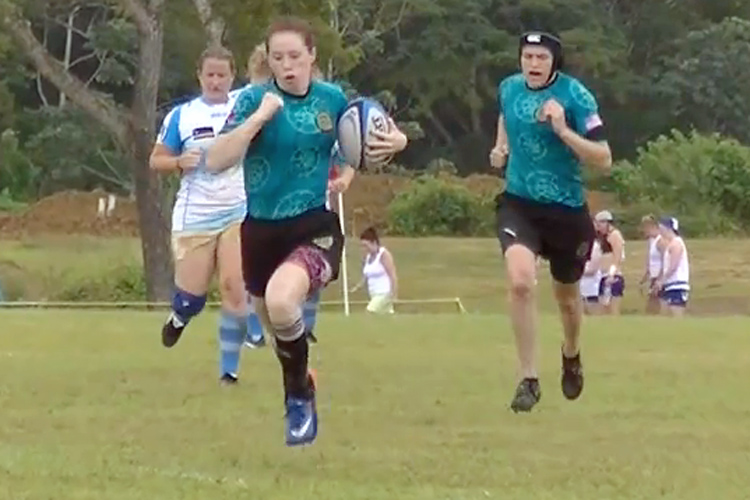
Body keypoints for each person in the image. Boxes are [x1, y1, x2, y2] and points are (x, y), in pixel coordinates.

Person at [205, 16, 408, 446]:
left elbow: (377, 132)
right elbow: (216, 160)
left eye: (295, 56)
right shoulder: (253, 100)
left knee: (282, 303)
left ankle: (297, 400)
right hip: (260, 231)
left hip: (313, 226)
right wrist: (258, 118)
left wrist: (397, 142)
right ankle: (302, 382)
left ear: (313, 56)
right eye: (278, 58)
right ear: (269, 61)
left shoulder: (332, 99)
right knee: (279, 332)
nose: (287, 65)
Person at [489, 31, 612, 413]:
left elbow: (603, 158)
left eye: (541, 57)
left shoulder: (576, 96)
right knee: (521, 282)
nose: (533, 64)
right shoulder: (509, 88)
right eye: (528, 56)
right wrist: (500, 147)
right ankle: (528, 379)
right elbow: (505, 116)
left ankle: (571, 354)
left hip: (567, 211)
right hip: (519, 203)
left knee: (567, 301)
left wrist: (562, 130)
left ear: (553, 62)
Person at [149, 45, 263, 384]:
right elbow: (156, 159)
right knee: (192, 298)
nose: (216, 82)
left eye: (222, 75)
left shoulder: (244, 106)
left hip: (237, 209)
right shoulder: (182, 116)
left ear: (232, 77)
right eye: (209, 75)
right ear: (199, 76)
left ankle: (229, 370)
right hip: (195, 215)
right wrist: (176, 162)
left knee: (234, 284)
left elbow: (266, 81)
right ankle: (179, 318)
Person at [350, 227, 398, 314]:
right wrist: (357, 287)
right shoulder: (368, 257)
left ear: (374, 243)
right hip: (374, 294)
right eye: (362, 246)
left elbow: (392, 275)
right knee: (385, 319)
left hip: (384, 293)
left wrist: (394, 294)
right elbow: (366, 275)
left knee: (369, 313)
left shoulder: (383, 255)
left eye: (366, 245)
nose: (364, 249)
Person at [652, 217, 690, 317]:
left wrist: (661, 281)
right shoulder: (670, 244)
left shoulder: (676, 244)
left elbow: (673, 266)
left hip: (677, 285)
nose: (660, 231)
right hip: (670, 284)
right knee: (666, 315)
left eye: (662, 228)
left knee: (676, 315)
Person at [594, 210, 626, 315]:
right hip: (603, 275)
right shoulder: (603, 237)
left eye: (600, 224)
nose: (598, 228)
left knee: (612, 309)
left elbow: (617, 257)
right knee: (602, 308)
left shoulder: (615, 235)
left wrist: (611, 275)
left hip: (612, 276)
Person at [639, 214, 664, 314]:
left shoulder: (660, 241)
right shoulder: (651, 241)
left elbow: (665, 261)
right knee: (651, 305)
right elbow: (650, 261)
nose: (644, 231)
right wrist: (645, 276)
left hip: (658, 277)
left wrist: (660, 279)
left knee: (654, 305)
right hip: (653, 277)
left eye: (645, 227)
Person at [579, 220, 603, 315]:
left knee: (592, 314)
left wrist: (576, 270)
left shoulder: (595, 246)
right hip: (580, 288)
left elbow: (593, 269)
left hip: (591, 288)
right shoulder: (581, 246)